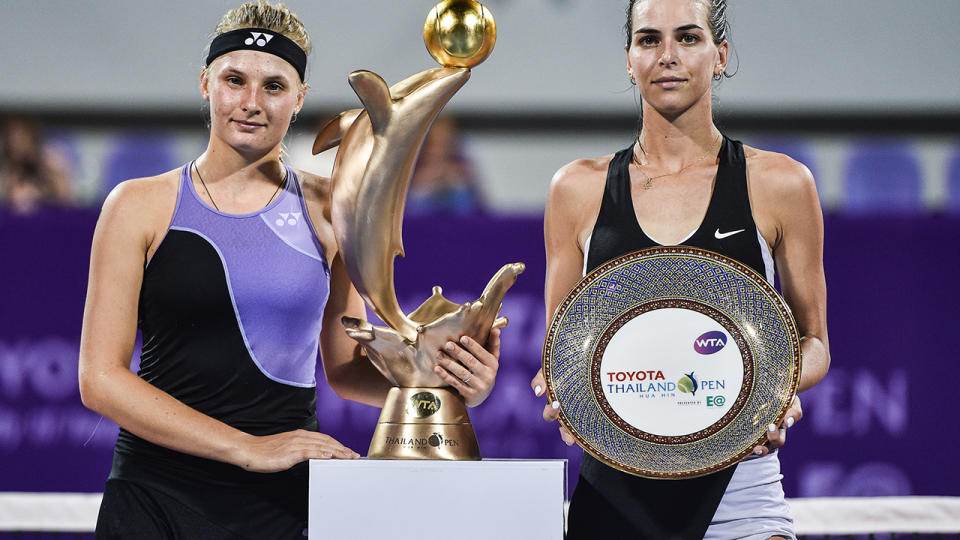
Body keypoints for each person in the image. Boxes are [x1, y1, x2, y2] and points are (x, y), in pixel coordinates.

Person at [78, 2, 501, 538]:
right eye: (235, 80)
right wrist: (248, 448)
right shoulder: (136, 205)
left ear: (299, 98)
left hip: (281, 506)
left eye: (274, 86)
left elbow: (346, 371)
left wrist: (448, 390)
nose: (251, 103)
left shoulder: (333, 209)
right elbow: (99, 380)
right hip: (154, 500)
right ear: (205, 84)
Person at [530, 0, 830, 538]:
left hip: (740, 501)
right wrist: (561, 388)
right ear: (628, 59)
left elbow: (815, 344)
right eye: (649, 40)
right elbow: (563, 350)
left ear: (720, 55)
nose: (667, 56)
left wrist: (776, 390)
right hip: (613, 501)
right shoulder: (575, 190)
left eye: (688, 38)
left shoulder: (782, 183)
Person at [0, 116, 73, 214]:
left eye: (20, 135)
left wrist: (41, 194)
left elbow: (67, 201)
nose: (14, 142)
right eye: (10, 136)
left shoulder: (51, 162)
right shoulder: (6, 170)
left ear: (30, 135)